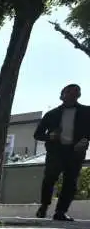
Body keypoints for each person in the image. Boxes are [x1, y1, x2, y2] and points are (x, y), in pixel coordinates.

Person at [33, 84, 90, 221]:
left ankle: (61, 212)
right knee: (49, 179)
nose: (73, 94)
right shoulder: (52, 114)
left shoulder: (87, 111)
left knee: (70, 182)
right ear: (62, 95)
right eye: (69, 91)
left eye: (76, 91)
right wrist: (50, 136)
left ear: (79, 95)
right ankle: (44, 206)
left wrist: (86, 139)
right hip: (56, 152)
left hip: (76, 152)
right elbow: (37, 135)